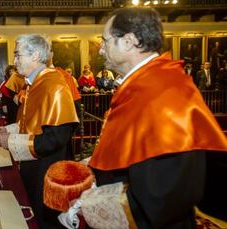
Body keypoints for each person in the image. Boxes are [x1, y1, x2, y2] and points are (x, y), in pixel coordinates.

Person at [60, 8, 227, 229]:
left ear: (128, 42)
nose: (100, 49)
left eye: (105, 41)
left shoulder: (161, 92)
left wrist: (91, 205)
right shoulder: (146, 83)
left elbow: (161, 194)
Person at [0, 34, 79, 228]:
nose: (14, 61)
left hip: (46, 172)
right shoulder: (35, 82)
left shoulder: (54, 85)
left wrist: (10, 142)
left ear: (35, 56)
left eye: (18, 55)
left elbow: (55, 139)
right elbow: (30, 122)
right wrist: (7, 131)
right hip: (33, 166)